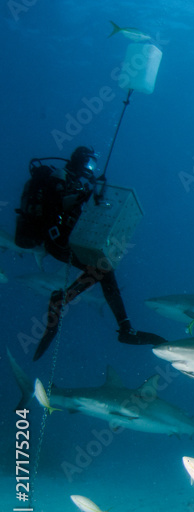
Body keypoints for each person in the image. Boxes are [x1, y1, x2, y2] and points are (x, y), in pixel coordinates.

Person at [15, 146, 165, 360]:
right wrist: (84, 195)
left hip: (67, 240)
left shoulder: (73, 181)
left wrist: (91, 196)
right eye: (88, 164)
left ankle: (118, 326)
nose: (90, 168)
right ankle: (122, 328)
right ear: (78, 161)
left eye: (92, 165)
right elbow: (54, 205)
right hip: (56, 240)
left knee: (104, 270)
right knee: (103, 270)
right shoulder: (60, 177)